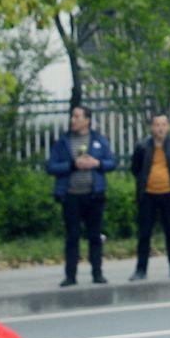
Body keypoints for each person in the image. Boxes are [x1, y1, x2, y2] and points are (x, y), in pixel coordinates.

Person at [45, 104, 114, 286]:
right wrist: (72, 165)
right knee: (72, 236)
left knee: (95, 236)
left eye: (77, 117)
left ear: (87, 120)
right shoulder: (63, 142)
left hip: (94, 195)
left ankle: (97, 273)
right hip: (71, 195)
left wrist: (96, 163)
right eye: (72, 117)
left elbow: (111, 162)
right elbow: (51, 166)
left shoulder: (98, 140)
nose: (72, 120)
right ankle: (70, 275)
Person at [127, 113, 170, 281]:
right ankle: (140, 270)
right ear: (151, 127)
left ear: (169, 127)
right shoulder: (142, 146)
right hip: (148, 195)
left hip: (169, 194)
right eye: (157, 125)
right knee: (144, 234)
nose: (160, 128)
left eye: (164, 124)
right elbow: (135, 169)